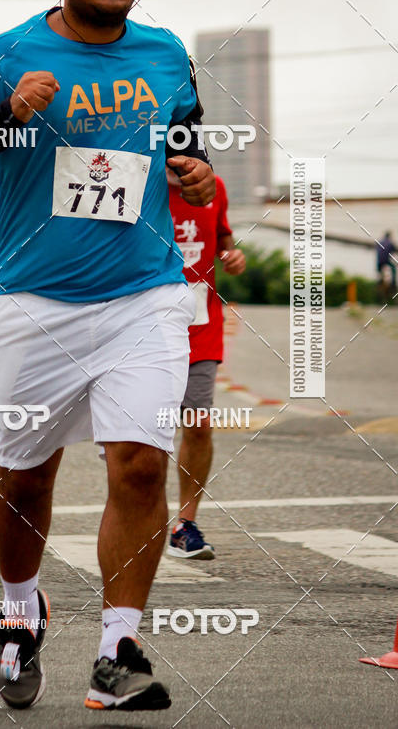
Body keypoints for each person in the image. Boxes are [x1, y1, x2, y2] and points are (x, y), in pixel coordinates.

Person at [0, 0, 215, 712]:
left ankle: (118, 651)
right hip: (33, 302)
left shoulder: (166, 54)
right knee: (25, 478)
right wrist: (7, 114)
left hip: (144, 295)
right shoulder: (8, 54)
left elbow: (185, 141)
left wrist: (195, 173)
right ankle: (20, 615)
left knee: (142, 463)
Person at [167, 173, 245, 560]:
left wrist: (233, 256)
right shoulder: (138, 179)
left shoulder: (214, 185)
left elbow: (224, 240)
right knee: (140, 436)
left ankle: (185, 524)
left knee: (198, 424)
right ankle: (137, 517)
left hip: (201, 326)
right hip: (143, 324)